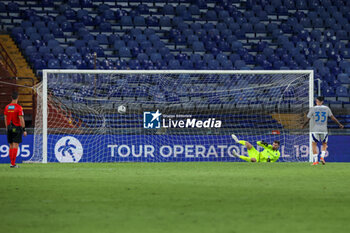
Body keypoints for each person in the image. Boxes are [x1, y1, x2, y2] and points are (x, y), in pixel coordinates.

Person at [305, 96, 343, 165]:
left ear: (318, 101)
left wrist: (303, 125)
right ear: (322, 102)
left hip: (315, 129)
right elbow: (332, 117)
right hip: (324, 129)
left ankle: (316, 161)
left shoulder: (313, 108)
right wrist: (339, 124)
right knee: (324, 144)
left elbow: (308, 119)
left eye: (316, 101)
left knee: (314, 144)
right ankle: (322, 157)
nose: (316, 102)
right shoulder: (326, 108)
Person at [3, 91, 27, 168]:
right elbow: (21, 119)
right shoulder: (19, 107)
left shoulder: (7, 107)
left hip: (9, 127)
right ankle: (13, 164)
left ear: (11, 97)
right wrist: (24, 129)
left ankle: (11, 163)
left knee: (10, 145)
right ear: (18, 97)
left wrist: (7, 127)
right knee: (15, 145)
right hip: (16, 128)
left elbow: (5, 118)